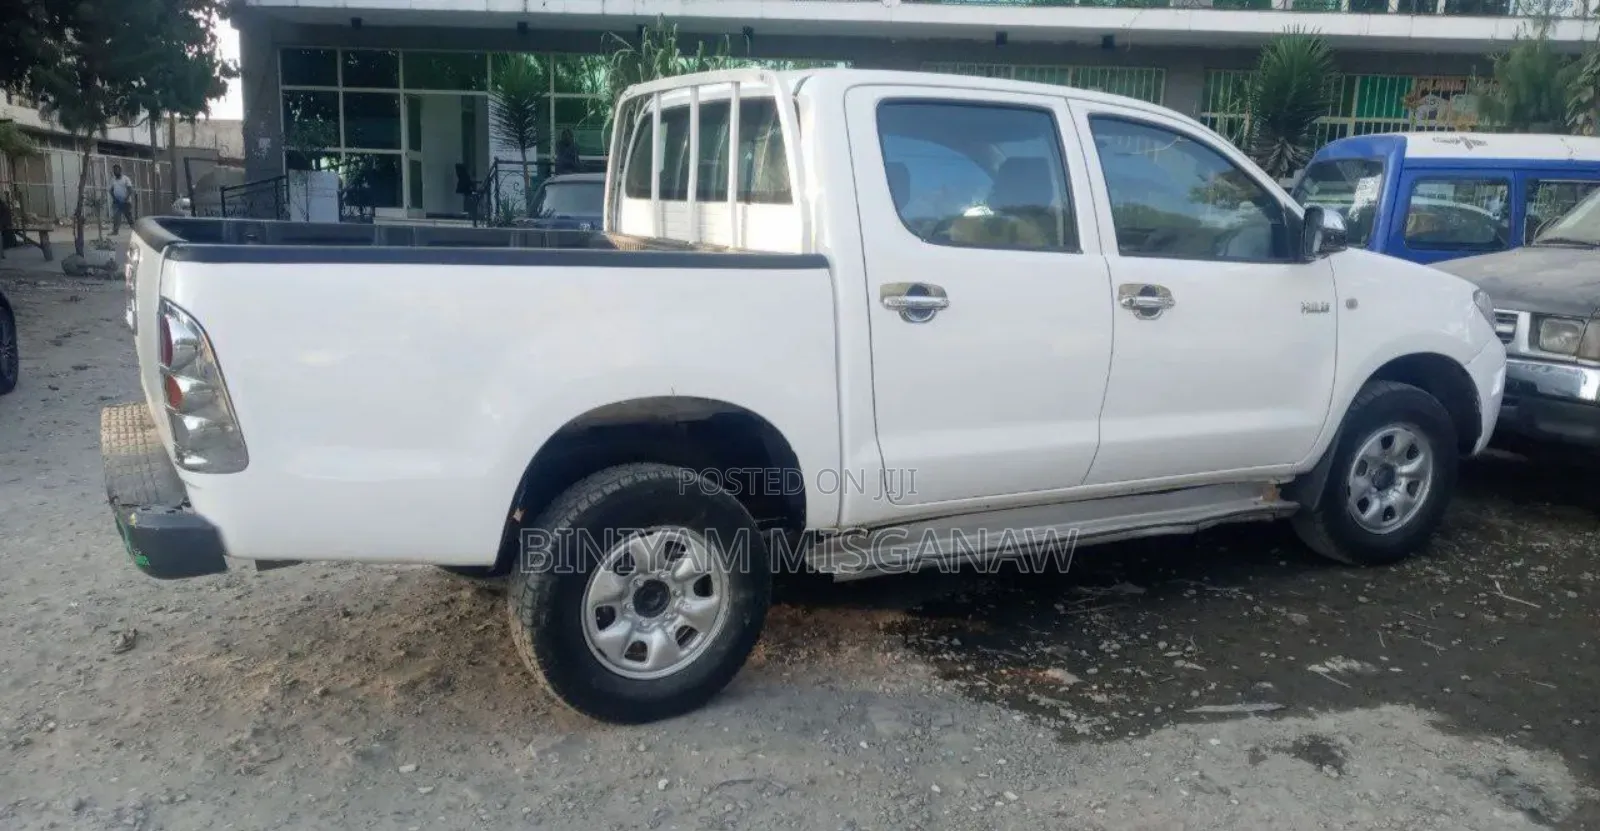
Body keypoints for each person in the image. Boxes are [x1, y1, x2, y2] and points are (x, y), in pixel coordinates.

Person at [108, 165, 137, 234]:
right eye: (114, 170)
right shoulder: (113, 180)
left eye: (117, 170)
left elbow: (130, 190)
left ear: (120, 171)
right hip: (117, 202)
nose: (115, 171)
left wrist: (126, 198)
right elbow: (111, 190)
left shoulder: (126, 179)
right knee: (116, 216)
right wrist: (114, 198)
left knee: (129, 217)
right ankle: (115, 231)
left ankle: (136, 230)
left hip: (125, 202)